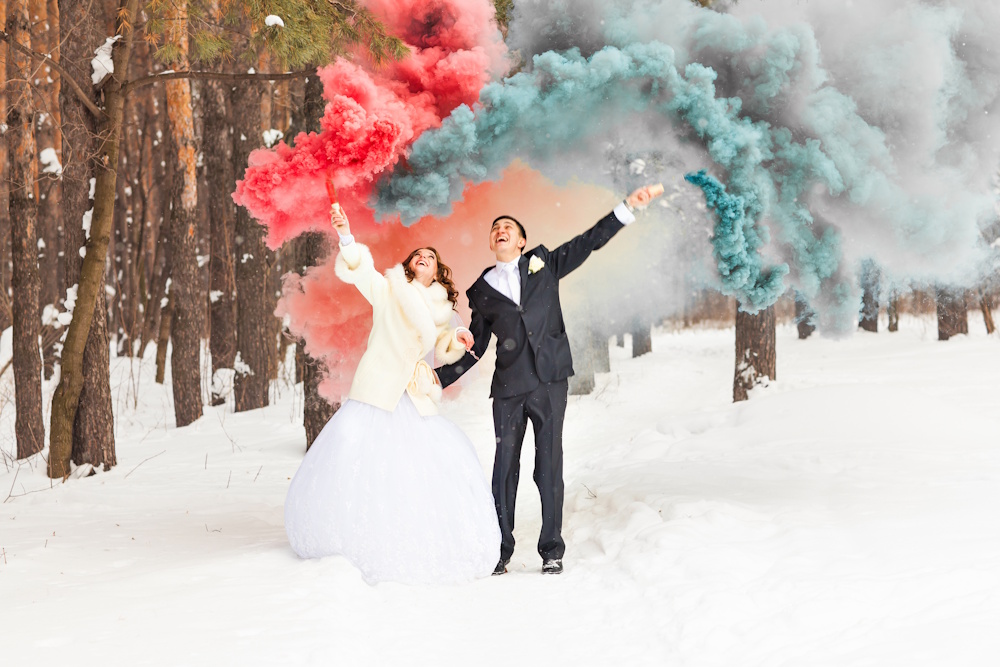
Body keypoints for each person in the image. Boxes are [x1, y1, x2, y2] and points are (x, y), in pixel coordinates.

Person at [435, 184, 665, 575]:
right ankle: (499, 549)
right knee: (504, 468)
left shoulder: (544, 263)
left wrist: (627, 208)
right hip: (508, 389)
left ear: (522, 241)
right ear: (492, 242)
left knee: (549, 464)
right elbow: (475, 346)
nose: (500, 230)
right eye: (495, 228)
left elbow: (587, 242)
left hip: (549, 381)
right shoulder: (481, 291)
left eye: (508, 226)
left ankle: (552, 549)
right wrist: (438, 378)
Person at [284, 205, 501, 585]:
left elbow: (446, 344)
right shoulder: (389, 289)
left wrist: (458, 338)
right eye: (418, 255)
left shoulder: (444, 307)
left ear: (438, 271)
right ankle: (353, 538)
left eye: (430, 257)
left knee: (421, 465)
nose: (423, 258)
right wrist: (347, 235)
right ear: (409, 265)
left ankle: (417, 536)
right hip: (378, 387)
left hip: (415, 392)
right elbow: (361, 273)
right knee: (360, 455)